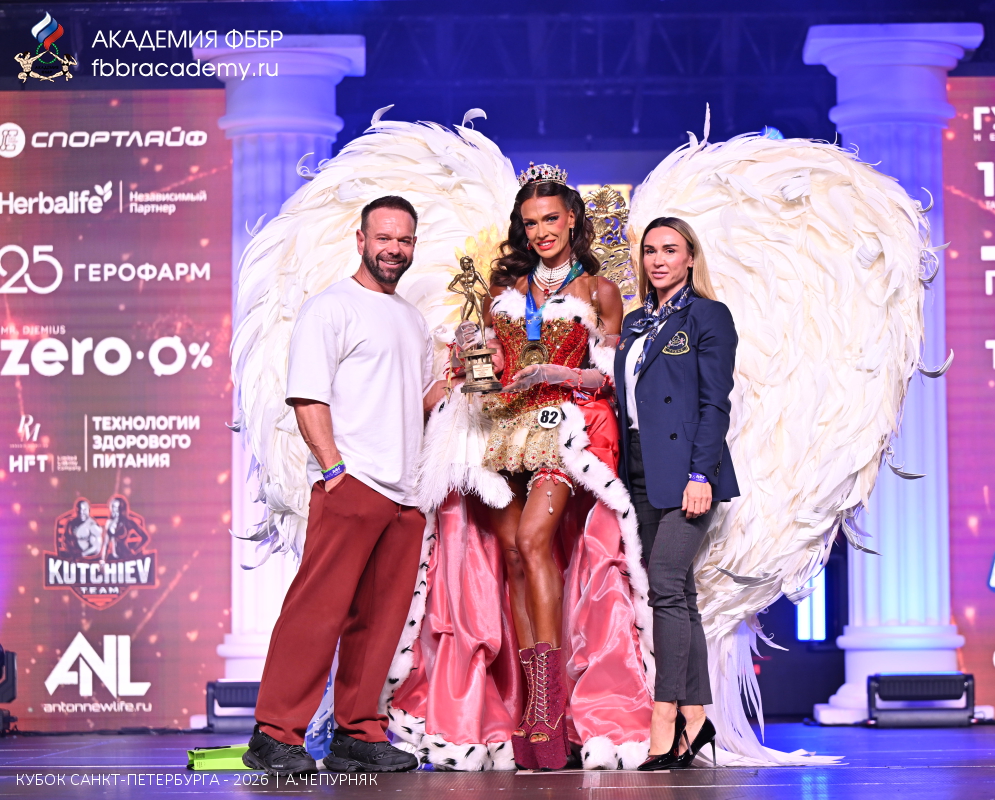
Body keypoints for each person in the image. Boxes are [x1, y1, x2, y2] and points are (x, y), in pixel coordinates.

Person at [389, 165, 655, 771]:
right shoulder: (502, 289)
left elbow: (611, 377)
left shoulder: (600, 290)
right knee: (511, 554)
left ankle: (549, 706)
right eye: (531, 223)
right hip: (503, 428)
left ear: (572, 219)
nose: (541, 232)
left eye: (551, 219)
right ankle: (529, 700)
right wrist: (473, 356)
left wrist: (563, 373)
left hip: (565, 428)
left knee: (536, 539)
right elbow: (492, 368)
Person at [244, 196, 441, 775]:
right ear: (361, 240)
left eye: (404, 240)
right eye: (384, 238)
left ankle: (357, 733)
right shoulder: (330, 308)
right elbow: (308, 397)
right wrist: (335, 472)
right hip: (352, 484)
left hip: (405, 495)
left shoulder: (411, 319)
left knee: (379, 624)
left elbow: (413, 403)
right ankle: (274, 733)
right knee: (318, 612)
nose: (394, 249)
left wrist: (456, 378)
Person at [614, 217, 739, 770]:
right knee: (677, 592)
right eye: (650, 251)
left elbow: (715, 403)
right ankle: (696, 715)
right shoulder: (637, 320)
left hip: (688, 469)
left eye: (670, 250)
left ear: (690, 257)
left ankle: (664, 714)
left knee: (665, 584)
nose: (658, 260)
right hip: (640, 467)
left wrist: (701, 475)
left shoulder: (708, 315)